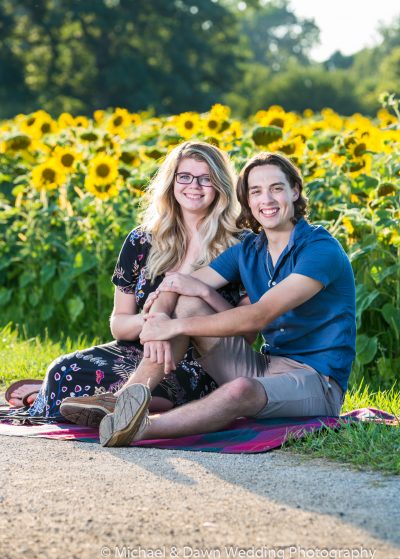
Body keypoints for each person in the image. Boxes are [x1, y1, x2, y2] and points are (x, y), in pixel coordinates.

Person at [62, 151, 356, 447]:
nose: (266, 200)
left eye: (276, 188)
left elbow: (259, 315)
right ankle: (122, 401)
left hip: (317, 381)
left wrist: (174, 328)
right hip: (266, 365)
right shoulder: (250, 249)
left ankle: (138, 428)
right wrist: (161, 316)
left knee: (240, 389)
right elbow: (177, 284)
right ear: (247, 200)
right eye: (256, 191)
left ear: (294, 191)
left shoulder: (320, 250)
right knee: (187, 304)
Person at [14, 141, 245, 423]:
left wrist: (176, 322)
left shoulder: (240, 244)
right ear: (171, 182)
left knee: (165, 388)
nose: (194, 186)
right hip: (138, 350)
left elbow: (247, 331)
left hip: (199, 362)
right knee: (63, 370)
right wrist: (153, 324)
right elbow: (119, 324)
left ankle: (108, 404)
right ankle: (81, 399)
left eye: (206, 178)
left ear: (220, 184)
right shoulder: (142, 240)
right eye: (184, 176)